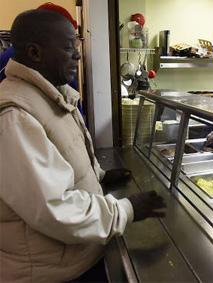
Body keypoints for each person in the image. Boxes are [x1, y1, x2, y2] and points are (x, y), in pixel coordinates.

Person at [0, 9, 165, 283]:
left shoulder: (53, 93)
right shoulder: (14, 116)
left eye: (76, 46)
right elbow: (54, 208)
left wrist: (98, 175)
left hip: (73, 257)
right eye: (68, 48)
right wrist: (126, 209)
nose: (77, 55)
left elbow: (65, 155)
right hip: (51, 273)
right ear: (34, 53)